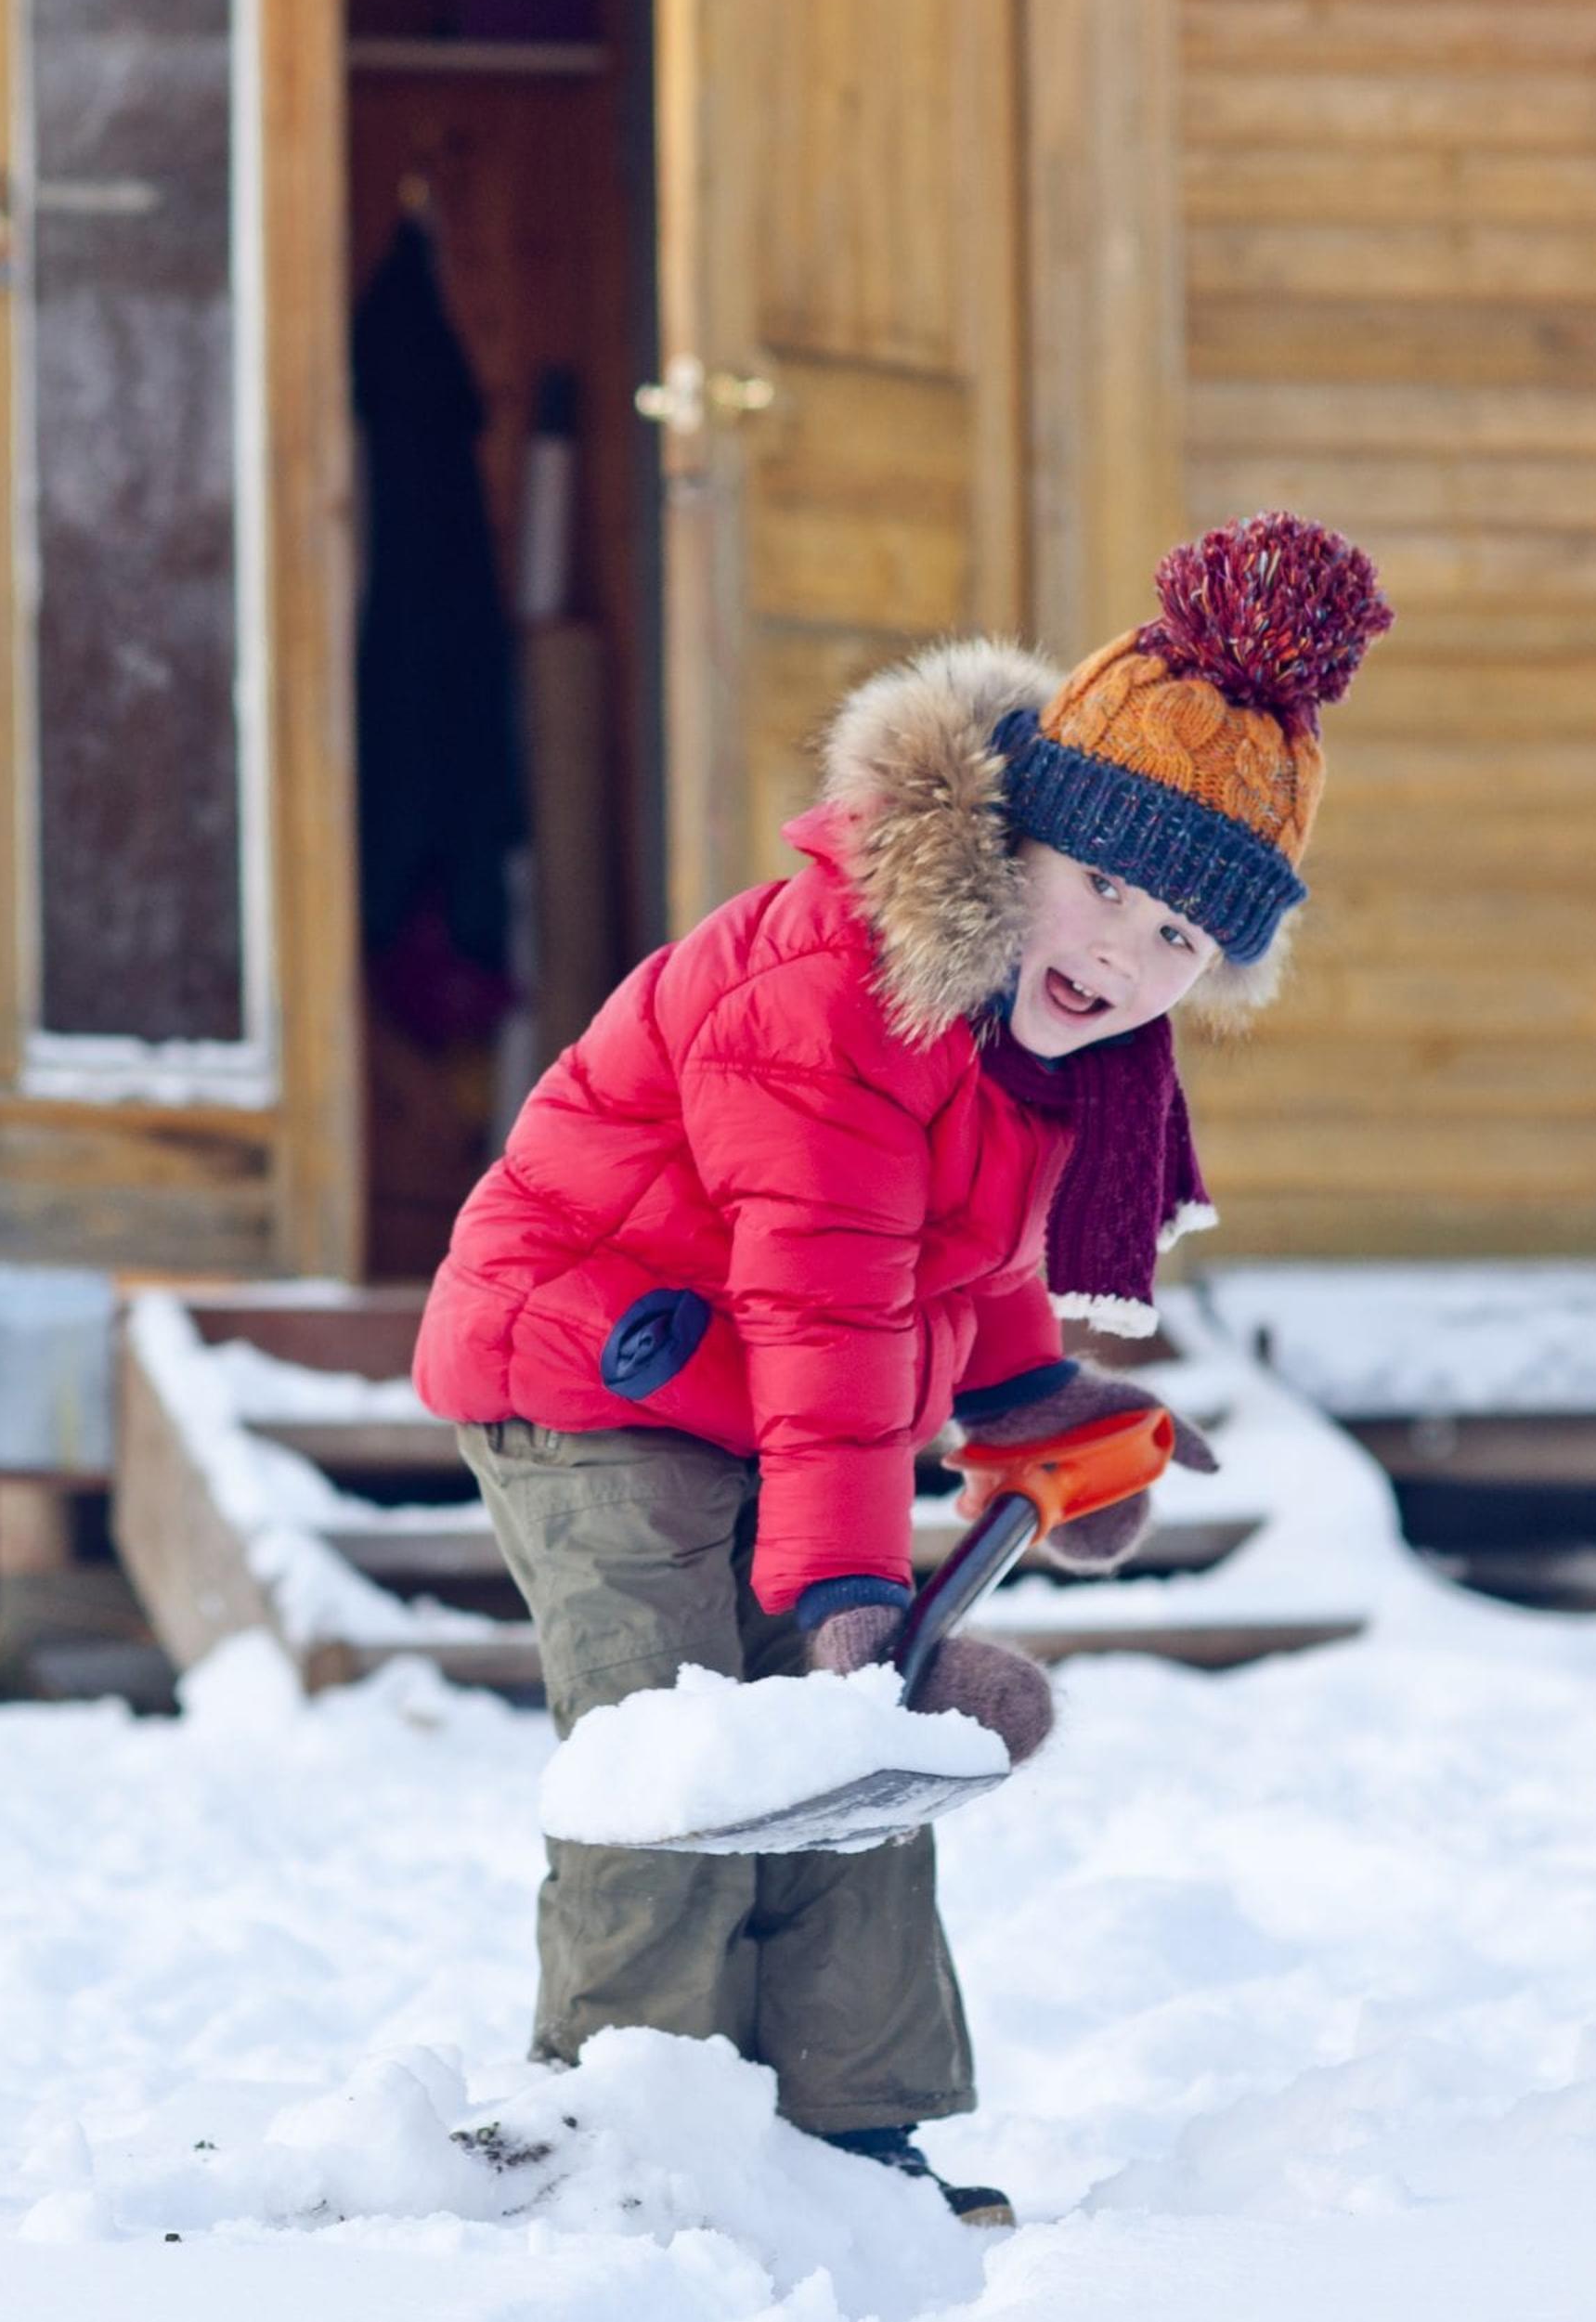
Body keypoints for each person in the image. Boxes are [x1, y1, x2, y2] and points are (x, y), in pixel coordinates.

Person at [411, 512, 1392, 2227]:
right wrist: (854, 1588)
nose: (1122, 959)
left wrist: (1027, 1408)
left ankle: (850, 2138)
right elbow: (831, 1312)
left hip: (767, 1378)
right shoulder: (838, 989)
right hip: (587, 1355)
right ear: (1024, 843)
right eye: (1106, 889)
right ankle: (629, 2140)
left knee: (847, 1761)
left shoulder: (1058, 1036)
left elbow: (967, 1251)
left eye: (1181, 940)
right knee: (687, 1741)